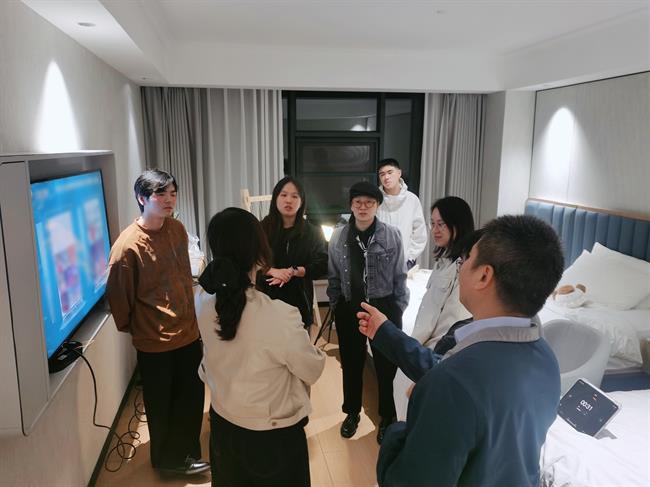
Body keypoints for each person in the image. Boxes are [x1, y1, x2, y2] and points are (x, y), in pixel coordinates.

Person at [357, 214, 564, 486]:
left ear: (484, 275)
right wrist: (386, 332)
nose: (461, 267)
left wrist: (403, 428)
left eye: (466, 260)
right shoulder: (547, 359)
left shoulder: (452, 383)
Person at [195, 207, 326, 487]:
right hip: (272, 437)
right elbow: (311, 369)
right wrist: (318, 352)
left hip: (223, 426)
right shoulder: (279, 315)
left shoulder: (202, 301)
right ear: (259, 253)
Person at [106, 169, 208, 475]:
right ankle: (167, 463)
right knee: (162, 404)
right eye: (160, 194)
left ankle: (188, 454)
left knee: (191, 397)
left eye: (172, 193)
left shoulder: (176, 228)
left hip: (188, 332)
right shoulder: (128, 247)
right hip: (155, 341)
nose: (168, 200)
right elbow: (119, 302)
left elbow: (183, 276)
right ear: (142, 198)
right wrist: (144, 328)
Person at [327, 181, 409, 444]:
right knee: (351, 364)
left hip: (383, 308)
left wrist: (397, 308)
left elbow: (400, 276)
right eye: (358, 202)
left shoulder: (392, 235)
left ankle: (387, 416)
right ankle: (352, 413)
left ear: (377, 206)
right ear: (351, 205)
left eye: (369, 203)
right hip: (350, 307)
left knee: (386, 366)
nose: (363, 207)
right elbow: (333, 276)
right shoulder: (339, 237)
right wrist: (337, 305)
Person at [393, 196, 475, 420]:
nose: (435, 230)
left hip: (436, 350)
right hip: (426, 344)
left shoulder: (462, 268)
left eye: (441, 224)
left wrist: (410, 348)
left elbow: (452, 324)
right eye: (433, 224)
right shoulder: (445, 260)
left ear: (457, 225)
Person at [258, 176, 328, 329]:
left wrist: (293, 271)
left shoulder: (312, 232)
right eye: (283, 195)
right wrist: (271, 271)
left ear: (301, 201)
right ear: (275, 198)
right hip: (265, 300)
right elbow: (249, 260)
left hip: (299, 301)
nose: (288, 200)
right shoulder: (261, 229)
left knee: (299, 341)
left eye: (295, 196)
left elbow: (322, 264)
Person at [376, 158, 427, 269]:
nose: (386, 177)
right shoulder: (375, 200)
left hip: (405, 262)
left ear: (399, 173)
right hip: (378, 263)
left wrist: (410, 258)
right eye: (382, 174)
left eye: (390, 172)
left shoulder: (412, 200)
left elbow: (420, 233)